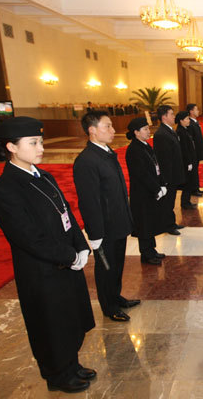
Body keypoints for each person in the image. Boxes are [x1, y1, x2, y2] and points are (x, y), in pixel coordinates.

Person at [0, 117, 96, 393]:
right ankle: (58, 374)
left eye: (41, 142)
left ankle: (72, 364)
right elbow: (28, 238)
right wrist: (69, 256)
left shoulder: (43, 176)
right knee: (50, 324)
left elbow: (66, 213)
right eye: (33, 143)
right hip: (41, 271)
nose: (41, 148)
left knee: (70, 318)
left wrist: (80, 245)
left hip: (65, 261)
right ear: (11, 147)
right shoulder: (5, 189)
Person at [74, 111, 140, 323]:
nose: (113, 131)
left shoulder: (106, 152)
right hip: (104, 228)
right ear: (92, 130)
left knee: (117, 264)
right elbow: (89, 201)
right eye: (107, 126)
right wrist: (95, 233)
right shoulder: (86, 161)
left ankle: (116, 296)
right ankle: (109, 306)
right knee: (106, 269)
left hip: (118, 221)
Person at [124, 117, 168, 265]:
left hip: (151, 191)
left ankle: (152, 250)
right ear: (136, 132)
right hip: (142, 194)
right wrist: (157, 188)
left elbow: (156, 166)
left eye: (148, 129)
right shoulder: (134, 150)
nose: (149, 131)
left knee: (151, 222)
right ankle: (147, 254)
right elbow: (142, 174)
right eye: (145, 129)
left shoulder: (145, 145)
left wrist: (162, 184)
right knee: (144, 224)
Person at [153, 105, 185, 235]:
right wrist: (165, 180)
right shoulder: (161, 134)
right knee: (168, 202)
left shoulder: (170, 130)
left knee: (171, 201)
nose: (174, 116)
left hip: (174, 173)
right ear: (164, 117)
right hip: (169, 176)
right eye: (171, 114)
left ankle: (171, 222)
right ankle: (168, 225)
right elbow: (163, 159)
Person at [175, 111, 198, 210]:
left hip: (191, 160)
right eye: (187, 119)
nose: (189, 121)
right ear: (181, 121)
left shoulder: (185, 130)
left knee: (190, 182)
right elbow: (184, 149)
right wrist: (188, 162)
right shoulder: (180, 132)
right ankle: (185, 203)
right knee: (187, 183)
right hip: (187, 162)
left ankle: (187, 201)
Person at [187, 103, 203, 197]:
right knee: (193, 172)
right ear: (191, 111)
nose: (198, 111)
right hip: (193, 152)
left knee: (196, 171)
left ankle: (196, 188)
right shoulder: (189, 123)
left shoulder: (195, 122)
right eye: (196, 109)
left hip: (197, 151)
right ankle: (194, 189)